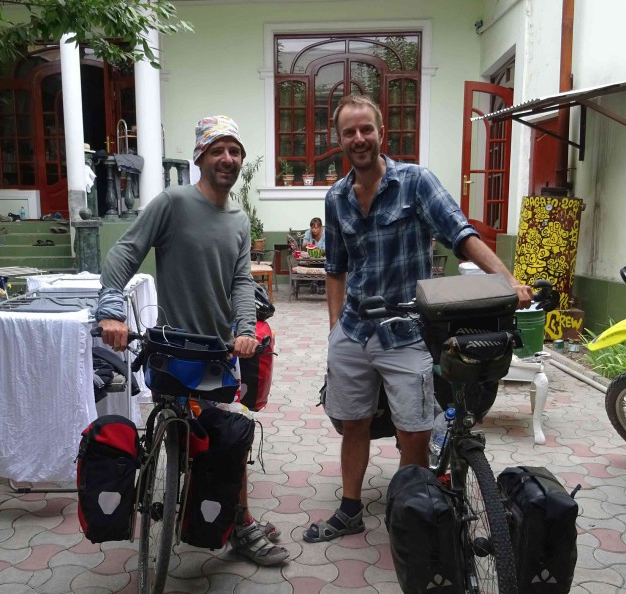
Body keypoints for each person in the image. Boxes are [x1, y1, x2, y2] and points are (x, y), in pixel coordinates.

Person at [305, 93, 533, 543]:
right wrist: (335, 328)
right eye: (349, 132)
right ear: (339, 140)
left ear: (381, 133)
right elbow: (335, 268)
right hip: (354, 330)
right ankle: (350, 509)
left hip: (407, 331)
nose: (358, 138)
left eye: (365, 129)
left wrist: (506, 280)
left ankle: (411, 513)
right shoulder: (335, 197)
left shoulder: (416, 182)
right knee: (354, 424)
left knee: (414, 428)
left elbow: (460, 233)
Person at [96, 115, 288, 566]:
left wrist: (244, 331)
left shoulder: (238, 221)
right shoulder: (173, 203)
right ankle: (159, 501)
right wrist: (110, 310)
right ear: (200, 156)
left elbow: (242, 282)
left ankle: (237, 522)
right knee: (170, 429)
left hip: (221, 353)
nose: (228, 158)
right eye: (218, 149)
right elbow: (127, 251)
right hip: (174, 349)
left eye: (235, 151)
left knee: (232, 438)